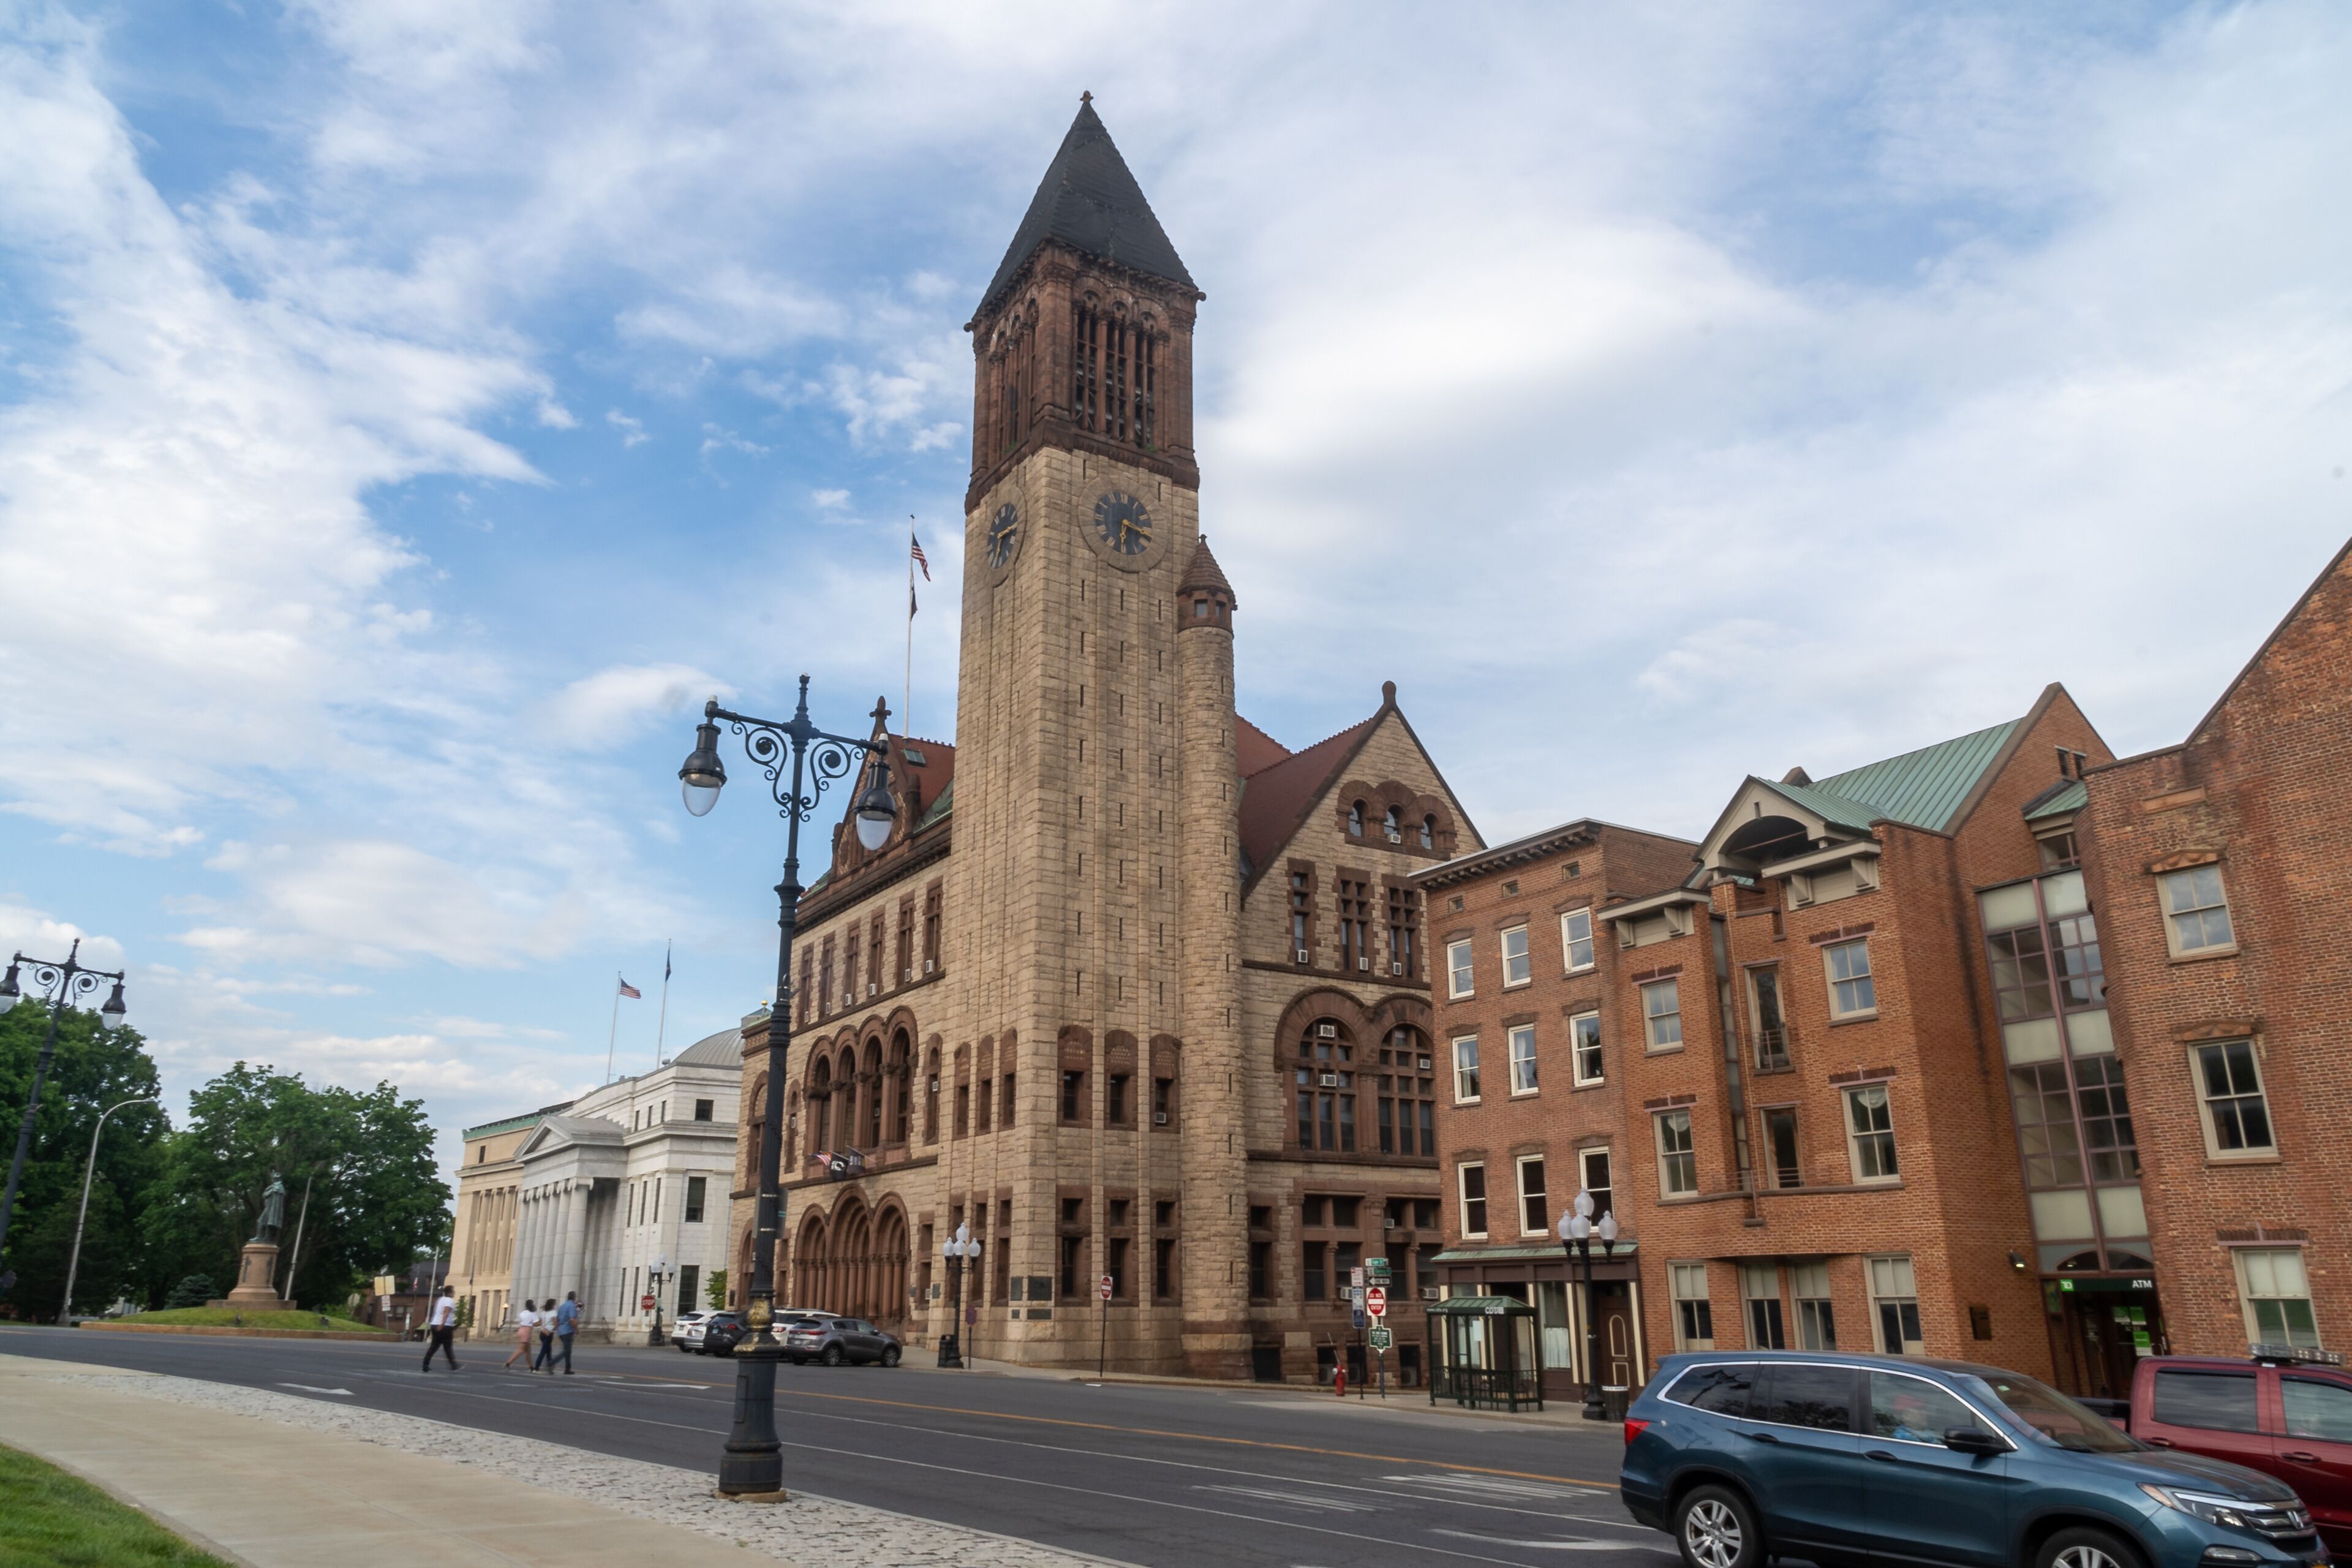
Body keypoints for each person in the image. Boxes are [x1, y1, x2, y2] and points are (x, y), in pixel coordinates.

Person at [421, 1284, 460, 1373]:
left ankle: (425, 1365)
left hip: (434, 1324)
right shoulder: (449, 1301)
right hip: (445, 1327)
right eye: (453, 1291)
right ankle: (454, 1366)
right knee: (448, 1347)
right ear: (450, 1293)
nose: (454, 1293)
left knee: (434, 1346)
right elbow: (446, 1312)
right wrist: (443, 1324)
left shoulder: (440, 1299)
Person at [503, 1299, 538, 1371]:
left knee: (528, 1351)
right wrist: (541, 1322)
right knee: (521, 1350)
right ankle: (508, 1363)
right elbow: (536, 1323)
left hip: (521, 1329)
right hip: (527, 1331)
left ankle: (531, 1367)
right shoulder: (532, 1314)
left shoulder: (523, 1313)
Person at [551, 1290, 579, 1374]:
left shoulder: (562, 1306)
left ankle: (568, 1369)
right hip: (568, 1331)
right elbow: (572, 1319)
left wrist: (557, 1327)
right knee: (567, 1351)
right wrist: (576, 1329)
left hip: (561, 1331)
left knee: (568, 1350)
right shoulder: (572, 1306)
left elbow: (556, 1319)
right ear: (574, 1298)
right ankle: (552, 1363)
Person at [534, 1298, 557, 1371]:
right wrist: (552, 1330)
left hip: (542, 1333)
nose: (555, 1306)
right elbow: (556, 1324)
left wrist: (535, 1324)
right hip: (549, 1333)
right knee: (544, 1351)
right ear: (552, 1305)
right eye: (554, 1304)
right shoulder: (554, 1313)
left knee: (548, 1350)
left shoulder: (543, 1313)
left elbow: (540, 1323)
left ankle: (551, 1365)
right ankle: (537, 1367)